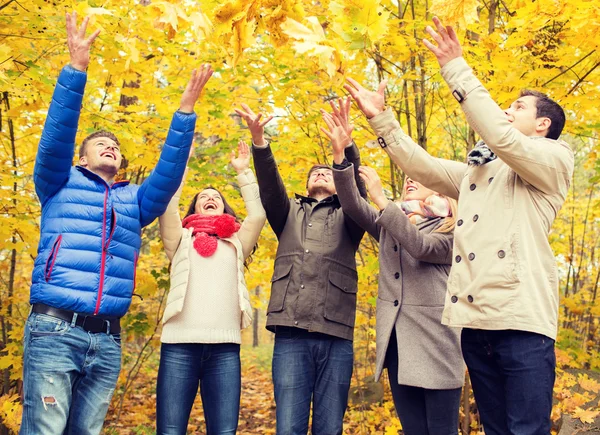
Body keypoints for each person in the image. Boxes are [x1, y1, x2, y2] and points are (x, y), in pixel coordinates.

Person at [345, 16, 575, 435]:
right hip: (476, 323)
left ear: (542, 124)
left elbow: (504, 139)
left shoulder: (554, 159)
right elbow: (423, 166)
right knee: (495, 429)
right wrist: (382, 121)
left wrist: (455, 67)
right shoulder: (478, 173)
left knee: (526, 429)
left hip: (523, 323)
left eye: (519, 107)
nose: (508, 110)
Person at [21, 12, 212, 435]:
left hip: (107, 339)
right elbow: (55, 136)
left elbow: (166, 175)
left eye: (115, 145)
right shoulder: (57, 182)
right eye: (100, 144)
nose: (110, 146)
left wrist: (184, 113)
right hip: (54, 329)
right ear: (82, 159)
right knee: (45, 429)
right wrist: (76, 69)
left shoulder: (134, 201)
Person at [322, 110, 464, 435]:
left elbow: (422, 247)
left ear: (443, 191)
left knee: (441, 431)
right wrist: (340, 159)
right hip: (397, 343)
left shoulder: (454, 229)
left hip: (437, 342)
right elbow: (354, 206)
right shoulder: (393, 220)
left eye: (420, 177)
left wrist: (382, 200)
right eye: (407, 177)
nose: (409, 179)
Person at [234, 100, 366, 434]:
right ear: (306, 185)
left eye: (327, 172)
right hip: (291, 333)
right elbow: (270, 186)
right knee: (289, 427)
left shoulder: (351, 216)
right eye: (314, 173)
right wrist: (260, 142)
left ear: (338, 181)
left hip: (336, 335)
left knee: (329, 426)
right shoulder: (287, 212)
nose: (320, 174)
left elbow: (358, 193)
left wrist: (345, 150)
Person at [155, 140, 266, 434]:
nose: (210, 197)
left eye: (215, 196)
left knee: (224, 431)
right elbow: (168, 206)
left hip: (225, 350)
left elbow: (257, 215)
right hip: (179, 345)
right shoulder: (180, 239)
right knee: (170, 430)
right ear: (195, 206)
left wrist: (243, 172)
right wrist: (182, 162)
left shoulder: (237, 242)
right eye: (203, 196)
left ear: (223, 206)